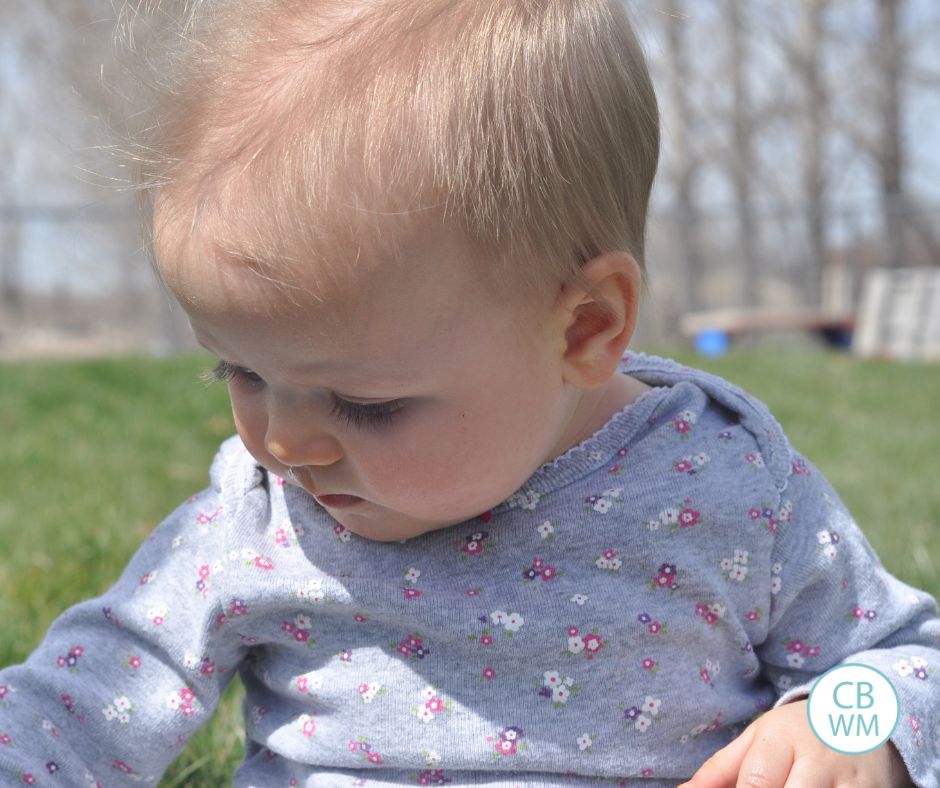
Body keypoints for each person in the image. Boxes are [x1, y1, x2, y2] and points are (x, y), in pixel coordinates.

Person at [1, 1, 937, 785]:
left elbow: (909, 659)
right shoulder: (257, 521)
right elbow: (76, 703)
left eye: (365, 404)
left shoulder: (723, 482)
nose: (283, 443)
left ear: (583, 329)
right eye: (239, 371)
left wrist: (854, 731)